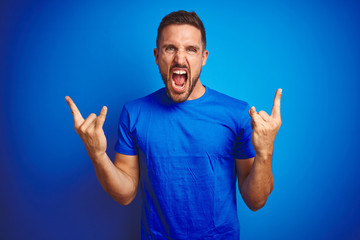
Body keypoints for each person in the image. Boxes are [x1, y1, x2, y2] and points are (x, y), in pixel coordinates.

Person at [65, 10, 282, 240]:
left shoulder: (237, 114)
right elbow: (125, 194)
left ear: (204, 57)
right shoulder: (134, 113)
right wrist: (98, 155)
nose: (180, 59)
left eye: (191, 49)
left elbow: (255, 201)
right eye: (171, 48)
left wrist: (265, 152)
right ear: (157, 56)